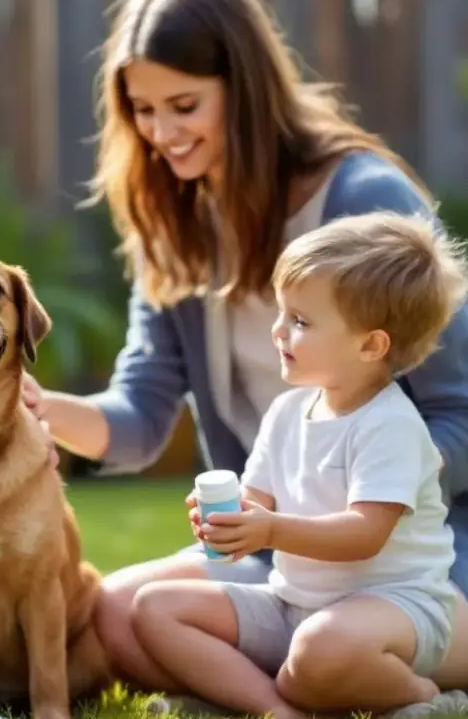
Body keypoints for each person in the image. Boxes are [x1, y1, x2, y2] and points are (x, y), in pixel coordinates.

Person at [20, 0, 468, 702]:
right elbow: (138, 420)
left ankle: (340, 670)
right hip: (281, 552)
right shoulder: (176, 224)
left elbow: (459, 410)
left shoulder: (361, 202)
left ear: (246, 91)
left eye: (184, 105)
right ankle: (288, 689)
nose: (160, 132)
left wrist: (339, 501)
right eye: (141, 108)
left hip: (406, 557)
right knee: (111, 616)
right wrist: (32, 406)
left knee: (241, 633)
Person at [132, 210, 468, 719]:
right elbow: (259, 500)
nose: (278, 331)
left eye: (301, 321)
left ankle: (426, 697)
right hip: (297, 604)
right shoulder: (290, 410)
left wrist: (268, 531)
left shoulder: (390, 425)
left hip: (396, 608)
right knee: (155, 608)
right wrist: (230, 518)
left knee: (316, 654)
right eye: (282, 312)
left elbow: (363, 534)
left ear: (371, 345)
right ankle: (278, 709)